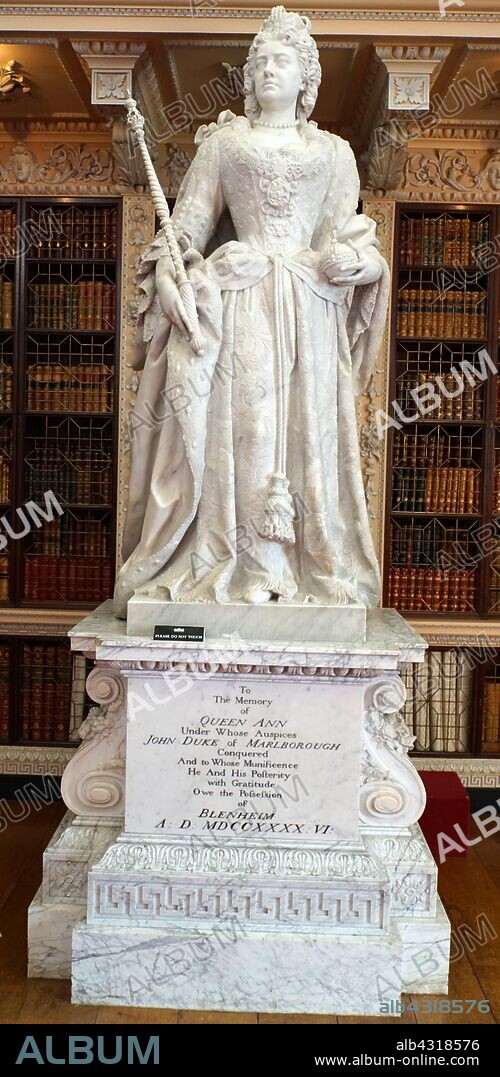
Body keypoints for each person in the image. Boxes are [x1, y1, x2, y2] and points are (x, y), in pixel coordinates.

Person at [113, 6, 389, 619]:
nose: (268, 68)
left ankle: (303, 567)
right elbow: (183, 233)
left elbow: (351, 237)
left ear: (305, 79)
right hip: (241, 297)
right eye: (260, 60)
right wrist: (167, 271)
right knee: (251, 428)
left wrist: (365, 267)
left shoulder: (336, 153)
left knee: (308, 435)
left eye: (282, 60)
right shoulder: (225, 145)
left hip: (312, 302)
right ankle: (240, 566)